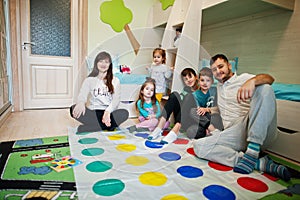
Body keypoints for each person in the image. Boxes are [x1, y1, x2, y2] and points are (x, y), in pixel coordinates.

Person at [193, 54, 291, 181]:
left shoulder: (243, 78)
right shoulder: (219, 86)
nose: (218, 71)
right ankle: (258, 162)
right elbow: (222, 108)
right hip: (235, 135)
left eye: (220, 66)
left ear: (229, 66)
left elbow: (269, 78)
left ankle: (253, 149)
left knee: (265, 88)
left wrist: (253, 81)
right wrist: (208, 110)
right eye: (214, 70)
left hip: (255, 129)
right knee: (199, 146)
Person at [70, 51, 129, 133]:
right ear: (96, 63)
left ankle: (91, 128)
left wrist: (107, 112)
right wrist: (81, 103)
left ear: (110, 65)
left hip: (108, 112)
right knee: (73, 108)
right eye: (101, 61)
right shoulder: (89, 80)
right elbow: (82, 95)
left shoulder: (115, 80)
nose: (103, 64)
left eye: (106, 62)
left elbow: (116, 100)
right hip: (93, 113)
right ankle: (107, 127)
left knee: (124, 113)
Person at [148, 67, 203, 143]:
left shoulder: (201, 89)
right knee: (174, 94)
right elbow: (181, 102)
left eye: (190, 77)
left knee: (190, 96)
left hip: (191, 118)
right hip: (181, 116)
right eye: (186, 79)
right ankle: (159, 128)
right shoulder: (186, 90)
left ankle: (175, 131)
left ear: (196, 77)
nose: (188, 80)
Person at [187, 67, 220, 139]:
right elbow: (198, 112)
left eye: (208, 80)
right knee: (191, 131)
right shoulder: (195, 94)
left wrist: (207, 110)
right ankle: (211, 130)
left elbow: (219, 109)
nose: (205, 83)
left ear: (212, 81)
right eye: (202, 80)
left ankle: (212, 130)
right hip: (202, 119)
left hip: (213, 116)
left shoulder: (215, 91)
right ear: (198, 81)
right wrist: (205, 125)